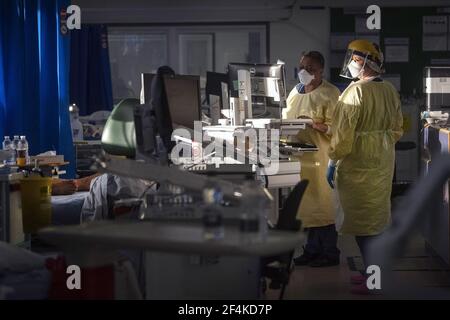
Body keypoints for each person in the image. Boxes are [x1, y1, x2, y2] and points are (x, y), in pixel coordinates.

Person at [327, 40, 403, 294]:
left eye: (354, 59)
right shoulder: (389, 89)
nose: (351, 64)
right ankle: (373, 274)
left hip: (357, 166)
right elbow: (397, 129)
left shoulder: (355, 92)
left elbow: (343, 136)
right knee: (374, 223)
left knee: (363, 227)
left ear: (365, 62)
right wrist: (378, 144)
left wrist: (333, 159)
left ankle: (375, 281)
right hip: (381, 164)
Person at [282, 51, 341, 267]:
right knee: (306, 206)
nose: (305, 72)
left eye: (311, 69)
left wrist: (315, 124)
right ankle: (311, 250)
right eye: (303, 67)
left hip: (321, 156)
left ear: (321, 71)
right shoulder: (294, 93)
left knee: (323, 205)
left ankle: (330, 252)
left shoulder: (330, 93)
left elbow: (338, 128)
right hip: (299, 157)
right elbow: (286, 119)